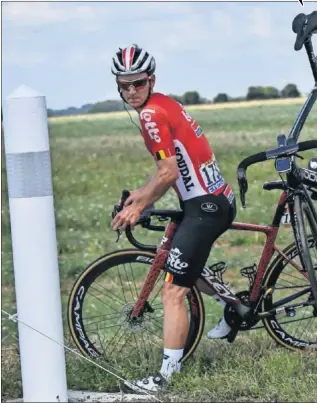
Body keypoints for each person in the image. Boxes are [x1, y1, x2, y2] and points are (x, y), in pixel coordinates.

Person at [110, 44, 237, 392]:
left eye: (138, 83)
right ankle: (233, 307)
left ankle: (166, 379)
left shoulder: (151, 115)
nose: (132, 91)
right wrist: (140, 194)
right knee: (181, 265)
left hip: (205, 205)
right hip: (210, 199)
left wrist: (138, 208)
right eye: (124, 85)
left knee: (172, 292)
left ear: (151, 80)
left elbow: (167, 173)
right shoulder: (161, 102)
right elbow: (170, 169)